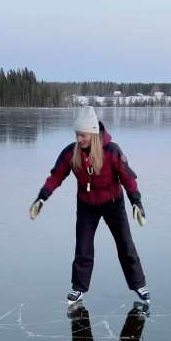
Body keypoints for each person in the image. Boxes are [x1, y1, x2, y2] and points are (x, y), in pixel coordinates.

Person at [29, 106, 150, 303]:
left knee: (125, 245)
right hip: (86, 204)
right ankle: (78, 287)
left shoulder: (111, 151)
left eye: (82, 135)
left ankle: (139, 284)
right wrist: (42, 197)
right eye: (77, 134)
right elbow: (56, 175)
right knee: (83, 246)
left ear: (93, 134)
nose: (79, 139)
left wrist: (136, 202)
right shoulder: (71, 152)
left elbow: (128, 178)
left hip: (113, 203)